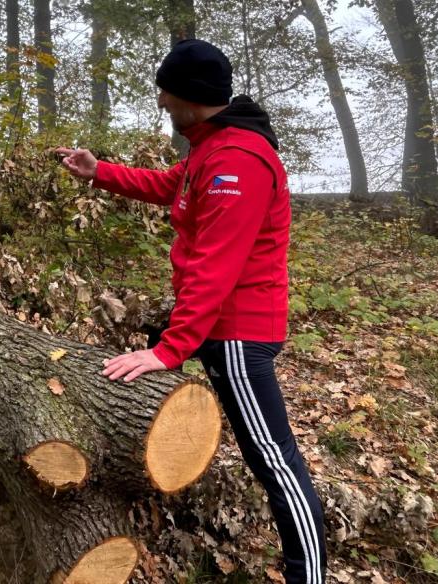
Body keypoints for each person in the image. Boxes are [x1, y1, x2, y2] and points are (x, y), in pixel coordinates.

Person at [55, 39, 326, 584]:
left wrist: (169, 349)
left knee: (276, 463)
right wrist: (98, 170)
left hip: (238, 334)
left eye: (167, 91)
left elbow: (215, 267)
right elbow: (171, 187)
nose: (160, 101)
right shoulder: (212, 148)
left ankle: (308, 576)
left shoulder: (238, 162)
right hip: (220, 326)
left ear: (192, 97)